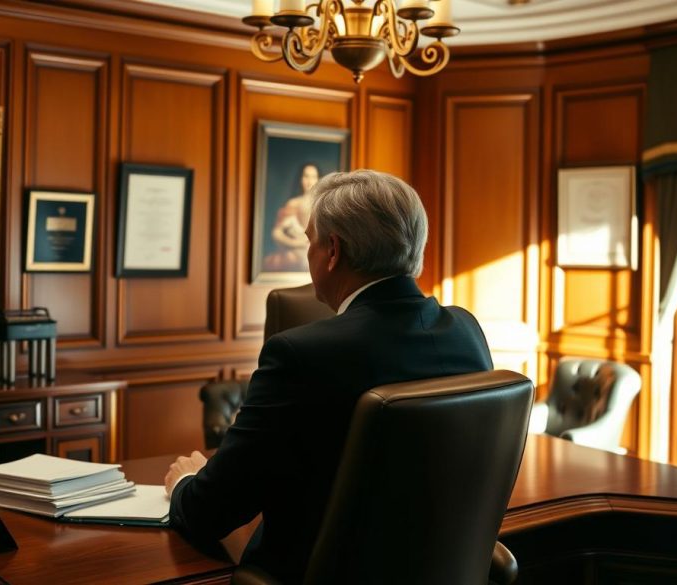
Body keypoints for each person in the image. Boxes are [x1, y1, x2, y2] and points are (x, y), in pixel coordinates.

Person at [165, 170, 494, 583]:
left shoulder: (299, 355)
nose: (309, 253)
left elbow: (209, 513)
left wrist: (185, 483)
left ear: (332, 250)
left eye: (309, 240)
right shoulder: (465, 331)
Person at [263, 162, 320, 272]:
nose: (309, 181)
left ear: (318, 179)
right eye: (306, 176)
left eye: (313, 177)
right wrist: (295, 243)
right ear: (300, 179)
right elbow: (277, 233)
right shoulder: (292, 204)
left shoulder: (322, 204)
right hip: (295, 250)